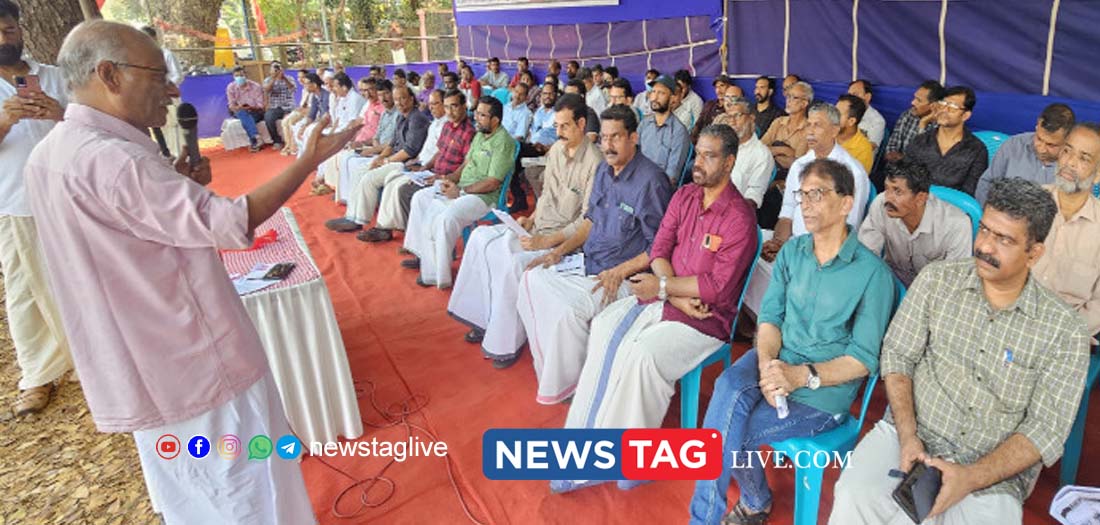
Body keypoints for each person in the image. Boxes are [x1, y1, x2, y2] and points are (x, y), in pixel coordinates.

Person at [28, 20, 361, 524]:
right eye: (157, 73)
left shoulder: (49, 154)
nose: (172, 89)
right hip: (197, 368)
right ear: (109, 75)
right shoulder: (117, 161)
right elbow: (229, 223)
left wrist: (174, 185)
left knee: (193, 494)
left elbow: (123, 238)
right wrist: (306, 162)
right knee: (250, 491)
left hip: (137, 366)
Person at [829, 178, 1089, 525]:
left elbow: (1046, 428)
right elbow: (898, 355)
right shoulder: (937, 280)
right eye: (984, 230)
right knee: (853, 498)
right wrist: (908, 436)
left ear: (1034, 252)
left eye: (1004, 240)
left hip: (992, 469)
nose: (984, 246)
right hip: (909, 433)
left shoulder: (1063, 330)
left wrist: (972, 477)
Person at [690, 157, 895, 525]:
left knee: (736, 432)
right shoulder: (794, 252)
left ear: (847, 203)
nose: (806, 204)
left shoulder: (872, 274)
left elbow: (863, 359)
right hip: (777, 359)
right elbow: (770, 319)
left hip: (822, 389)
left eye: (817, 194)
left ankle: (752, 502)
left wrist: (799, 376)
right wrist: (770, 364)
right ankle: (711, 513)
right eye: (802, 195)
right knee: (729, 386)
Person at [554, 125, 757, 495]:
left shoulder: (739, 218)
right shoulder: (684, 196)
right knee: (604, 325)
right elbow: (660, 250)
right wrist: (669, 292)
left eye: (710, 156)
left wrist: (664, 289)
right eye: (697, 154)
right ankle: (594, 436)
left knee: (642, 356)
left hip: (707, 319)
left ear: (729, 162)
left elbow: (716, 288)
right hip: (673, 299)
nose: (699, 163)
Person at [517, 105, 673, 403]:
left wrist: (619, 272)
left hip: (625, 275)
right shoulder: (603, 169)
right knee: (532, 278)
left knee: (569, 310)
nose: (608, 145)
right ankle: (557, 366)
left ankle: (574, 387)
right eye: (604, 138)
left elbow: (659, 248)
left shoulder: (652, 181)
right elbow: (590, 221)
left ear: (634, 138)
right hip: (590, 261)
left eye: (616, 137)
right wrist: (559, 251)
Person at [448, 94, 603, 367]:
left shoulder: (595, 162)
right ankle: (482, 317)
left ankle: (506, 342)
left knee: (513, 264)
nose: (558, 132)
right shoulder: (556, 150)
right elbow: (546, 197)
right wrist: (531, 218)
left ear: (581, 124)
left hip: (564, 242)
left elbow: (586, 221)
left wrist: (548, 239)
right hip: (540, 229)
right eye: (556, 126)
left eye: (565, 126)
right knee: (481, 240)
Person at [0, 0, 73, 417]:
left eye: (9, 30)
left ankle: (93, 359)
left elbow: (90, 124)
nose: (3, 39)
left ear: (20, 30)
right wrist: (5, 122)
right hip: (14, 200)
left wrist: (60, 114)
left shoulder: (52, 76)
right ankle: (38, 375)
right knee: (23, 292)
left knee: (83, 277)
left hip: (67, 197)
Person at [402, 96, 515, 289]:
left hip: (483, 197)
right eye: (476, 113)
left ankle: (441, 275)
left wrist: (460, 190)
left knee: (447, 217)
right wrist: (449, 179)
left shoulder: (503, 142)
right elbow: (466, 164)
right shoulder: (480, 135)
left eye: (482, 115)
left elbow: (493, 182)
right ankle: (424, 257)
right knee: (421, 197)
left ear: (495, 120)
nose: (476, 118)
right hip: (462, 187)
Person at [365, 89, 477, 243]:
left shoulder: (469, 132)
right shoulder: (447, 126)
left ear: (464, 106)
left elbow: (467, 163)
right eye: (446, 107)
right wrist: (424, 169)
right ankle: (411, 236)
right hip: (432, 172)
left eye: (454, 106)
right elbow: (439, 152)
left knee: (406, 191)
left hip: (448, 179)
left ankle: (417, 240)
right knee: (402, 186)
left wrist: (444, 177)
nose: (449, 111)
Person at [765, 102, 869, 261]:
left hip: (827, 252)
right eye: (808, 125)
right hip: (794, 244)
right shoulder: (799, 165)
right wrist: (779, 243)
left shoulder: (853, 172)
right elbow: (788, 209)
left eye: (818, 125)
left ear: (835, 130)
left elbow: (851, 225)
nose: (810, 131)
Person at [325, 86, 430, 234]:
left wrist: (386, 161)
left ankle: (362, 222)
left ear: (412, 99)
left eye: (403, 98)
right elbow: (392, 143)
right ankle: (352, 216)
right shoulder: (401, 117)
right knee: (360, 170)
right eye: (396, 99)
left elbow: (409, 150)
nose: (399, 103)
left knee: (370, 178)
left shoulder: (416, 118)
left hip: (407, 164)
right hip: (394, 159)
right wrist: (380, 158)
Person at [1033, 123, 1100, 338]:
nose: (1070, 163)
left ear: (1098, 174)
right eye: (1067, 151)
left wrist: (1060, 335)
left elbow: (1097, 309)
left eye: (1084, 158)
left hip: (1066, 337)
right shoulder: (1028, 203)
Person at [859, 158, 973, 285]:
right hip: (893, 280)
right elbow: (866, 255)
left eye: (898, 191)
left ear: (920, 198)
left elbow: (953, 281)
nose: (888, 198)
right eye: (887, 189)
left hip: (932, 289)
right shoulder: (881, 204)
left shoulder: (957, 225)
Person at [974, 103, 1075, 203]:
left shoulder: (1075, 165)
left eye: (1051, 145)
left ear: (1068, 140)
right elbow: (986, 183)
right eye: (1039, 139)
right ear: (1037, 125)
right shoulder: (1013, 145)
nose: (1041, 149)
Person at [904, 86, 988, 195]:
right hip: (916, 205)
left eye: (952, 107)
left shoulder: (977, 150)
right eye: (942, 104)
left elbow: (970, 193)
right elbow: (905, 178)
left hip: (952, 208)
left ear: (965, 115)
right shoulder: (920, 141)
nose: (944, 110)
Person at [721, 97, 774, 208]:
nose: (732, 122)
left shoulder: (761, 154)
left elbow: (754, 196)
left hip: (733, 213)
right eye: (729, 117)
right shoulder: (721, 146)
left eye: (737, 115)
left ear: (751, 118)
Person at [638, 75, 691, 184]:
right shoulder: (644, 124)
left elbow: (672, 176)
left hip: (659, 187)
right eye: (653, 92)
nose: (655, 97)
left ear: (672, 98)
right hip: (638, 181)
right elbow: (633, 156)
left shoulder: (678, 131)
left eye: (661, 93)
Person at [140, 25, 183, 157]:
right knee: (159, 127)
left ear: (155, 38)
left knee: (174, 125)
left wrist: (164, 87)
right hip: (151, 98)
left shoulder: (166, 54)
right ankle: (166, 154)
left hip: (168, 96)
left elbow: (178, 75)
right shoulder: (140, 58)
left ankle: (180, 155)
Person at [884, 80, 944, 163]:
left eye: (919, 100)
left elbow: (926, 160)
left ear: (933, 106)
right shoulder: (907, 115)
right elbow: (891, 148)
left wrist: (923, 123)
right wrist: (907, 162)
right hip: (898, 169)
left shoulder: (942, 127)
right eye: (914, 98)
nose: (912, 102)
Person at [761, 80, 812, 171]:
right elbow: (760, 148)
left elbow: (797, 163)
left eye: (794, 98)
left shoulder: (809, 129)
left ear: (804, 103)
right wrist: (783, 150)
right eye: (788, 96)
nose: (789, 100)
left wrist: (772, 153)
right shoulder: (778, 122)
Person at [226, 65, 267, 152]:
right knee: (242, 113)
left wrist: (251, 107)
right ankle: (256, 137)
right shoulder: (231, 87)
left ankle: (254, 142)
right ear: (233, 77)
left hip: (255, 111)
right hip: (239, 111)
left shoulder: (256, 86)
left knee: (246, 117)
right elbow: (231, 105)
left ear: (246, 76)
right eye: (236, 76)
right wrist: (239, 107)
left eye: (241, 75)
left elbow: (261, 105)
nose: (239, 78)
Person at [261, 61, 296, 150]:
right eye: (274, 68)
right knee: (268, 117)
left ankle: (292, 142)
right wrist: (274, 79)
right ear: (270, 70)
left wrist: (284, 78)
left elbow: (293, 89)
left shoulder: (289, 78)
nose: (277, 70)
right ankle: (277, 141)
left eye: (278, 68)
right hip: (275, 107)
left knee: (290, 119)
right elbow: (267, 90)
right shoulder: (267, 80)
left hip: (289, 106)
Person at [836, 94, 874, 173]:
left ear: (851, 121)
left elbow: (856, 182)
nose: (832, 116)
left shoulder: (864, 149)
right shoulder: (826, 133)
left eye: (838, 114)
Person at [691, 75, 732, 143]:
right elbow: (699, 124)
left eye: (722, 86)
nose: (718, 90)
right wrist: (694, 140)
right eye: (716, 87)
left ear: (729, 87)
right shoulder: (709, 104)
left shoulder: (732, 107)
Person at [847, 79, 885, 150]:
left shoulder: (878, 121)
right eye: (849, 95)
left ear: (867, 97)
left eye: (855, 94)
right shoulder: (844, 114)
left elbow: (870, 147)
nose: (850, 99)